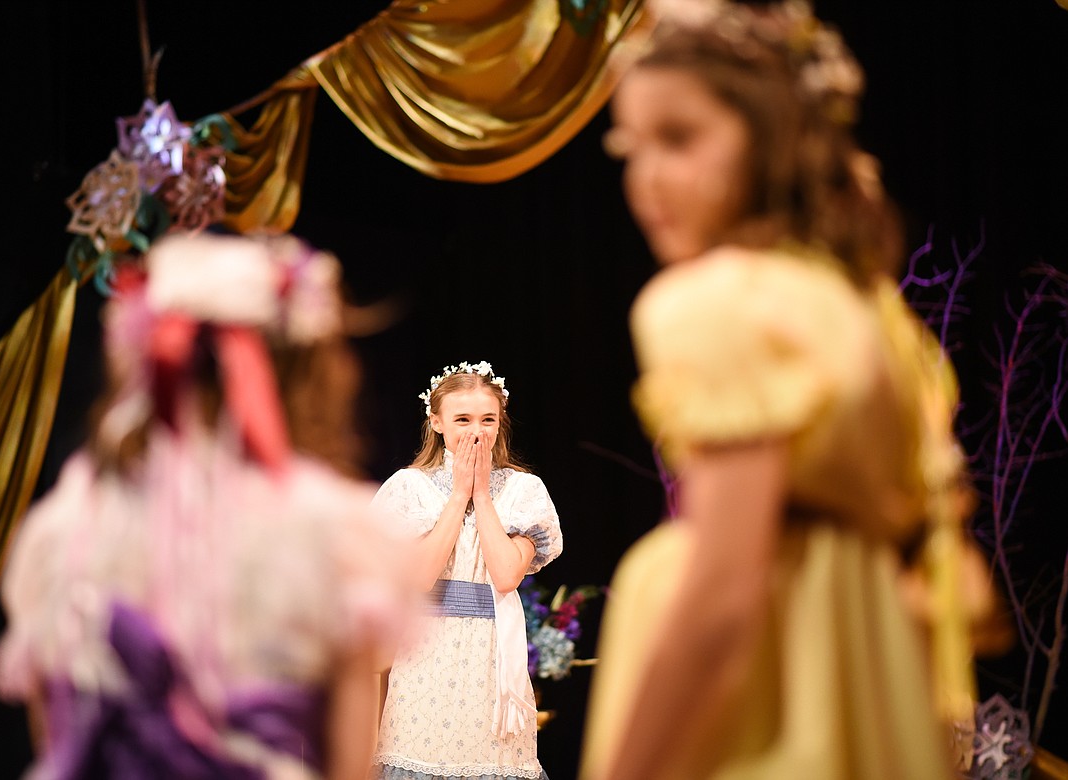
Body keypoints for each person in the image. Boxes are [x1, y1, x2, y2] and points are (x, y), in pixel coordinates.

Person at [579, 1, 998, 778]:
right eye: (629, 149)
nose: (647, 180)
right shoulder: (863, 308)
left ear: (769, 134)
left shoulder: (718, 302)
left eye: (680, 137)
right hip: (856, 673)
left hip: (772, 692)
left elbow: (724, 598)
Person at [0, 231, 418, 780]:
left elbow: (60, 745)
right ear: (309, 368)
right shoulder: (333, 537)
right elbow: (347, 766)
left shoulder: (67, 533)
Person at [369, 361, 563, 780]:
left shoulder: (523, 491)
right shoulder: (409, 488)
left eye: (487, 419)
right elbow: (419, 578)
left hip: (491, 662)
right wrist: (459, 495)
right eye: (462, 419)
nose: (476, 431)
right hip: (426, 661)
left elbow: (507, 575)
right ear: (436, 422)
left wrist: (483, 494)